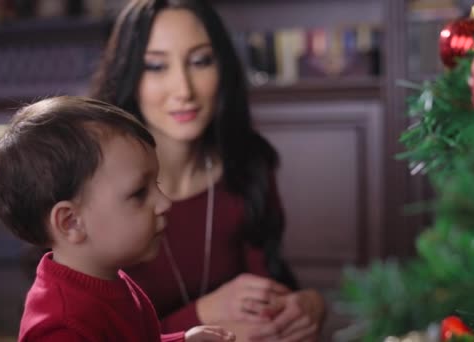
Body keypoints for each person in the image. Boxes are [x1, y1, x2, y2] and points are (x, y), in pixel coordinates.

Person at [90, 0, 326, 340]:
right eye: (156, 67)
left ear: (223, 67)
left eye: (200, 61)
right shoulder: (93, 188)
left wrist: (311, 305)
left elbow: (272, 289)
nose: (184, 90)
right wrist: (201, 315)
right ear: (128, 76)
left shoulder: (248, 164)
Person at [0, 96, 236, 342]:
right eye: (139, 193)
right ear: (71, 222)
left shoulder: (109, 278)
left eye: (156, 184)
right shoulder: (61, 328)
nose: (164, 203)